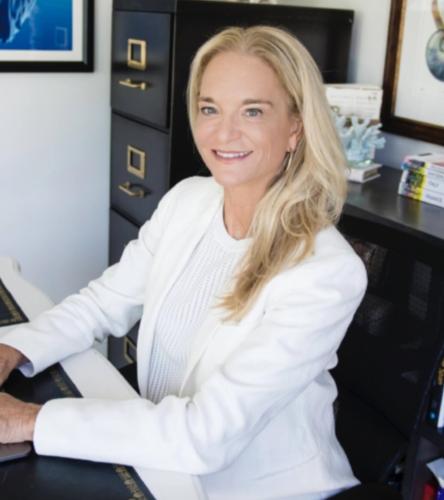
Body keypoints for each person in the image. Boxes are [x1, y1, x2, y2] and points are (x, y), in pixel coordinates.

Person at [0, 26, 367, 499]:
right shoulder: (188, 200)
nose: (223, 133)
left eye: (253, 111)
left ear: (295, 127)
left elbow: (206, 435)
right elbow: (104, 303)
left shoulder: (324, 271)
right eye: (209, 108)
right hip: (160, 459)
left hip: (253, 488)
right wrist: (13, 350)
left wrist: (30, 420)